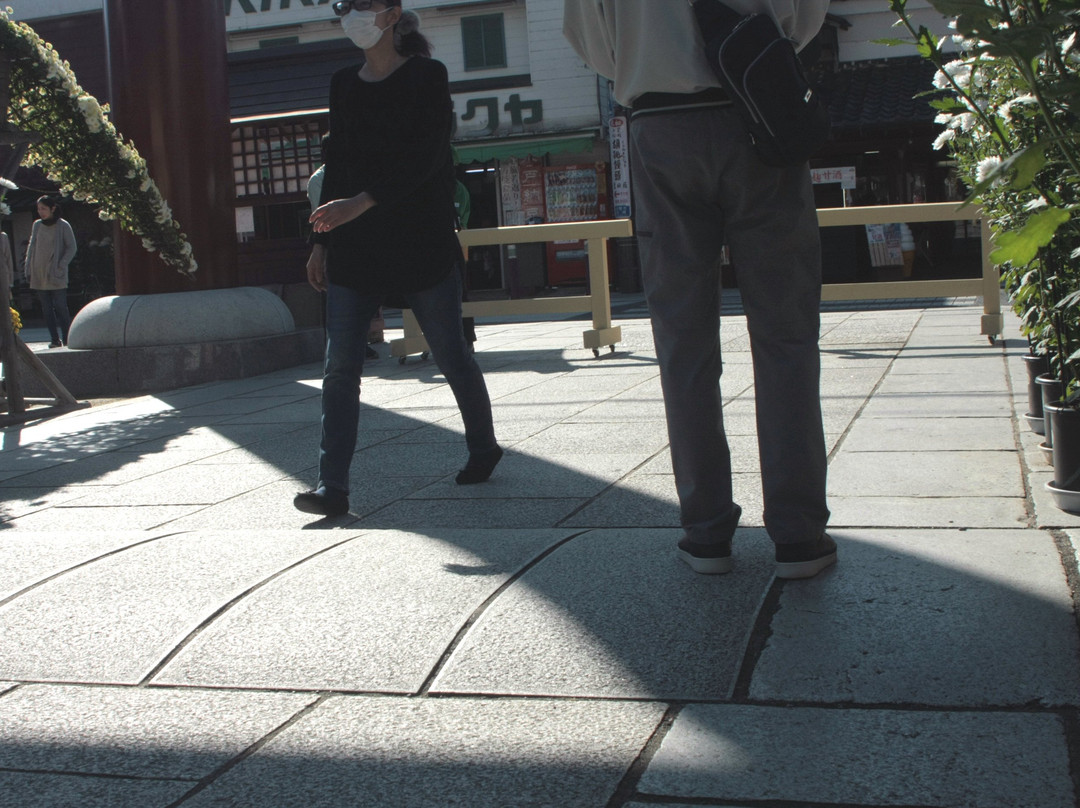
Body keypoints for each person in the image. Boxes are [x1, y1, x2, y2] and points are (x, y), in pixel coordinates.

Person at [562, 0, 836, 579]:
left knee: (683, 343)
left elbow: (593, 45)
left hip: (659, 124)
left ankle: (706, 532)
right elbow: (804, 18)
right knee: (786, 338)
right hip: (757, 106)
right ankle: (798, 534)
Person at [295, 0, 502, 517]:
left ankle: (483, 445)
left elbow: (428, 155)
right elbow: (336, 160)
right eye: (343, 8)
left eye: (359, 6)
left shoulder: (428, 76)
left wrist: (362, 202)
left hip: (419, 238)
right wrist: (320, 241)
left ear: (390, 14)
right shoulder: (344, 82)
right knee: (340, 367)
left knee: (450, 352)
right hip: (354, 247)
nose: (349, 16)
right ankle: (332, 487)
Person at [25, 196, 76, 348]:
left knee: (61, 307)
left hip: (56, 273)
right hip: (39, 273)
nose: (41, 212)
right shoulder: (37, 225)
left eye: (44, 209)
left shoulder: (63, 225)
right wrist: (27, 267)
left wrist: (61, 265)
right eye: (39, 209)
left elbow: (71, 248)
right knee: (46, 309)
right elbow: (32, 246)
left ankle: (67, 338)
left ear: (52, 208)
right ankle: (54, 339)